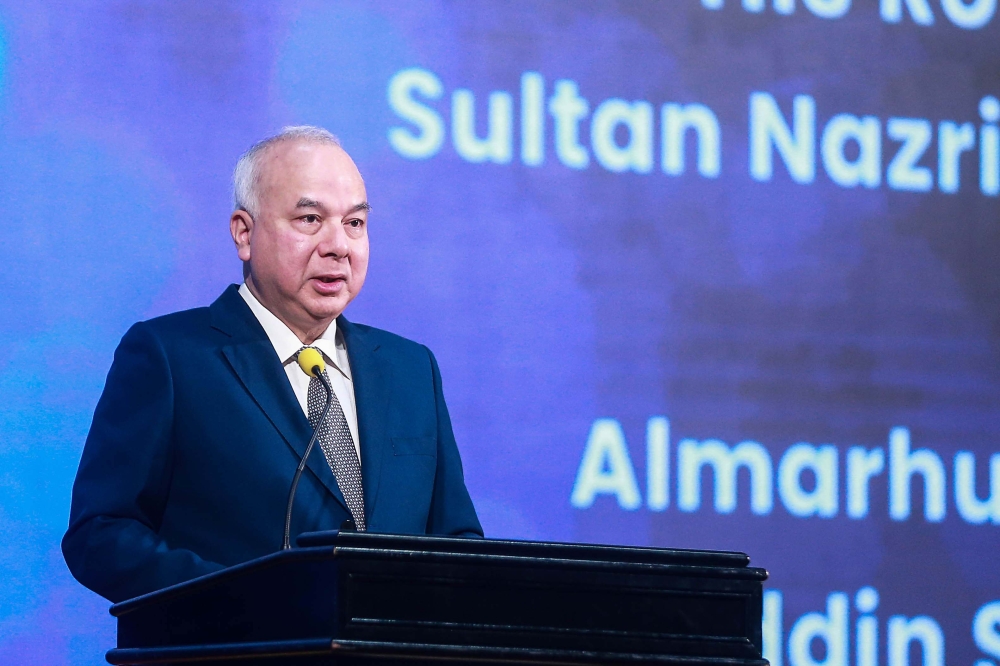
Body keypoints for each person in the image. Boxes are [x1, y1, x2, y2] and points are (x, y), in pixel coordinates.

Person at [62, 126, 483, 603]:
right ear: (244, 232)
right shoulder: (171, 356)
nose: (338, 246)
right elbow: (102, 534)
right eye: (309, 219)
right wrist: (242, 599)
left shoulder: (411, 370)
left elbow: (458, 542)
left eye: (355, 224)